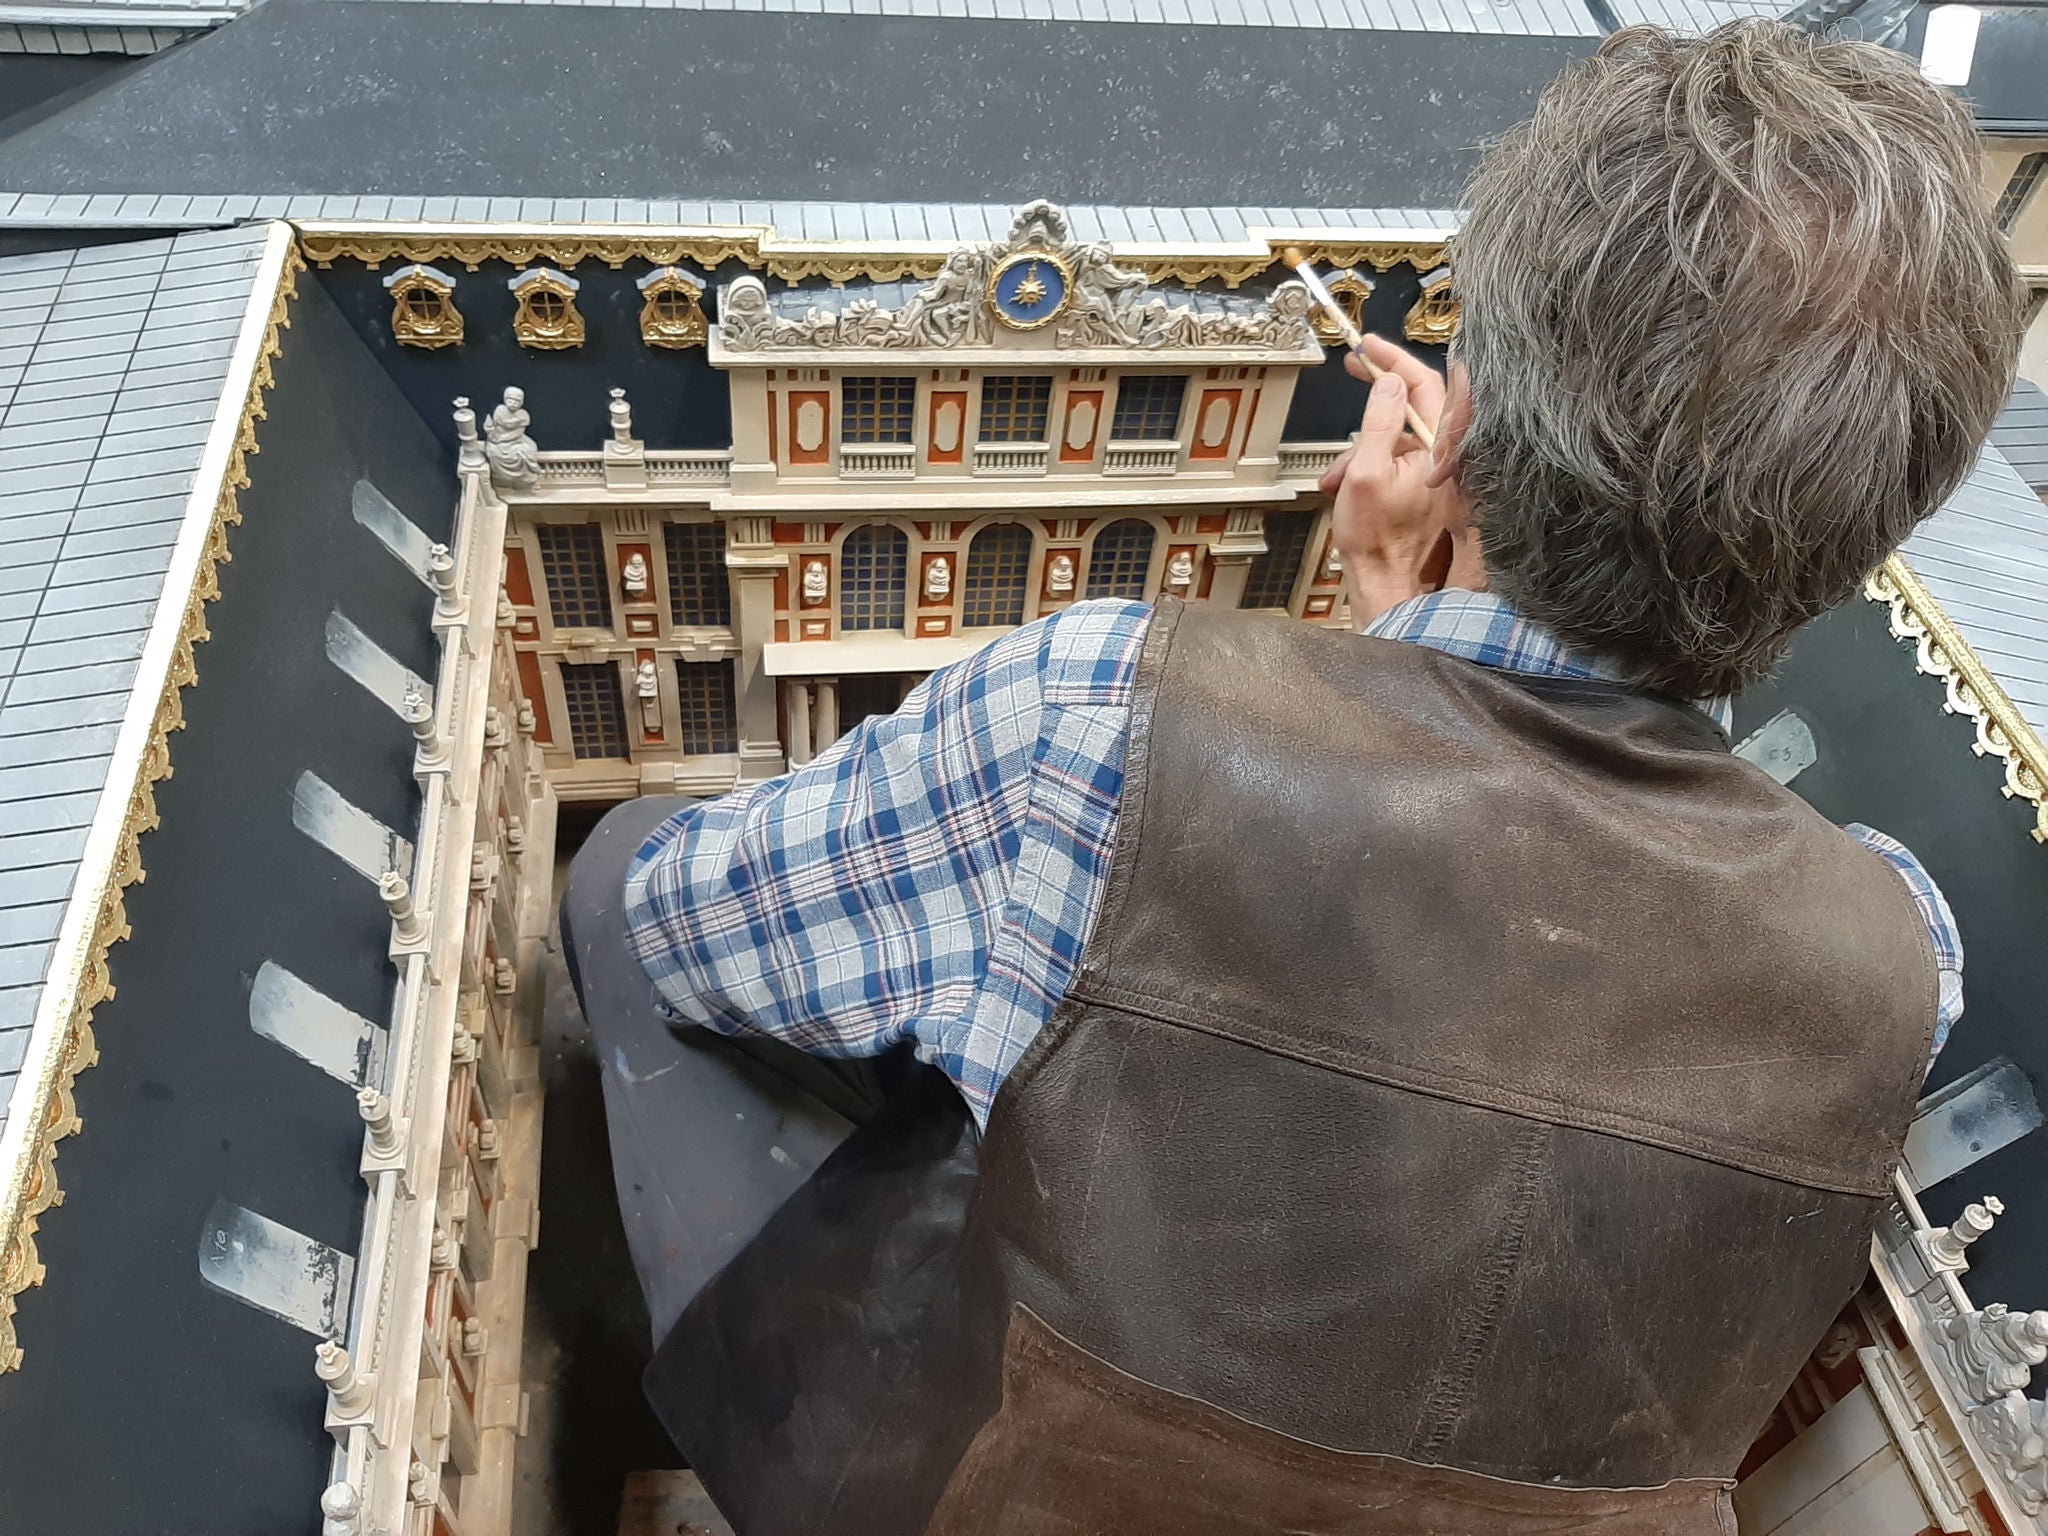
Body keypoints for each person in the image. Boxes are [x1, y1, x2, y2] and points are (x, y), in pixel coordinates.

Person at [561, 21, 2023, 1535]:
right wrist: (1410, 627)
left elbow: (697, 933)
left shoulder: (1099, 711)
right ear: (1857, 550)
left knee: (626, 876)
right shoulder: (1899, 956)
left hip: (1024, 1491)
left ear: (1460, 424)